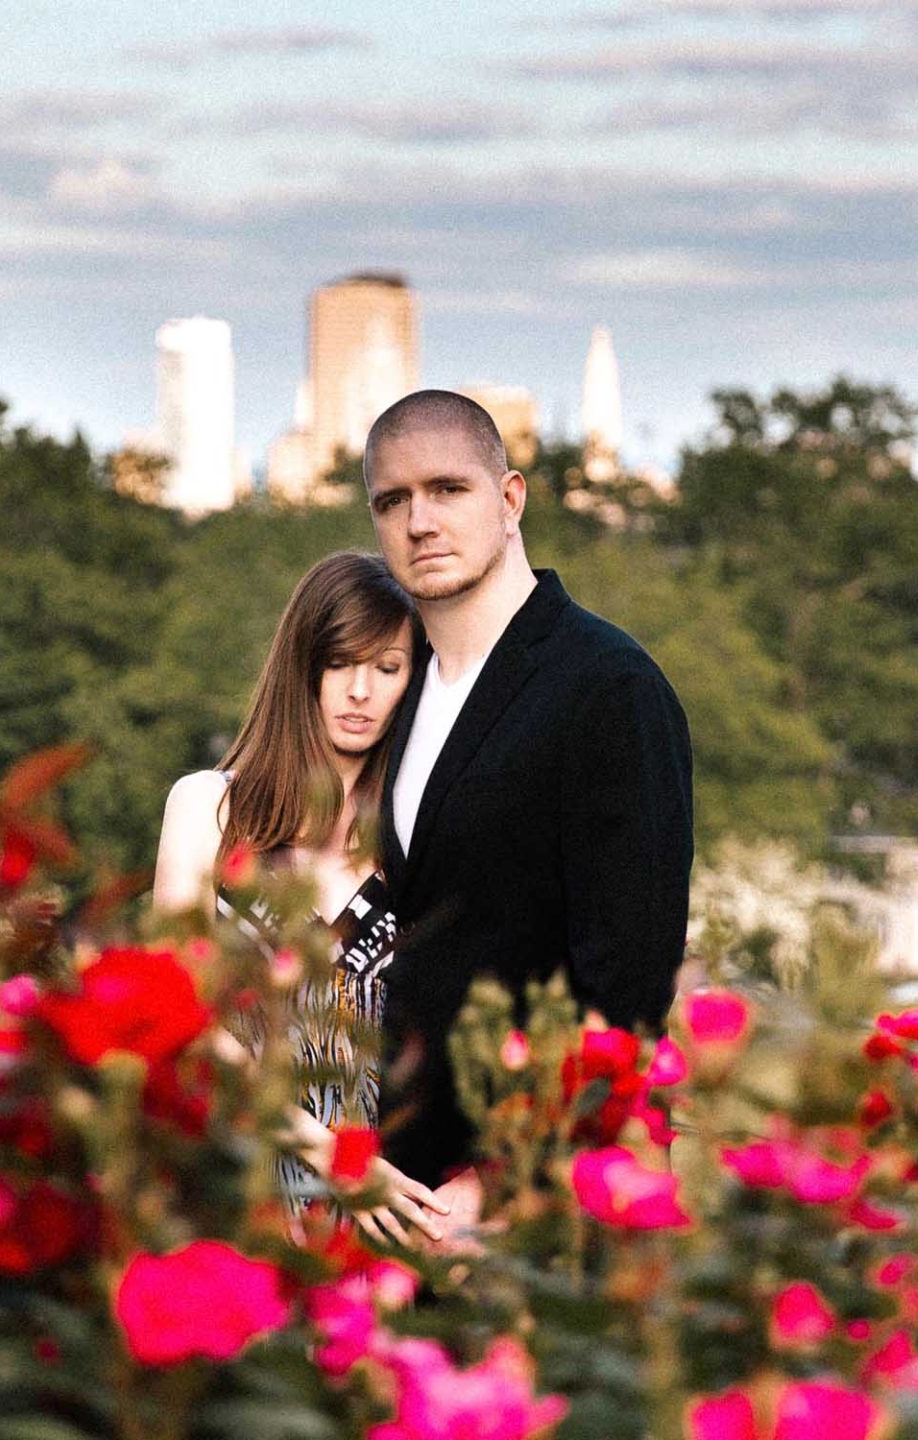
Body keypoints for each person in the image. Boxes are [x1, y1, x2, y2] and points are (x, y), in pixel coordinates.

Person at [363, 389, 695, 1206]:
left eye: (448, 490)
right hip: (396, 1192)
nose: (420, 522)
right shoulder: (397, 692)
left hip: (521, 1211)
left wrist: (500, 1186)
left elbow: (627, 991)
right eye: (392, 500)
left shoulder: (607, 687)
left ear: (509, 499)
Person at [151, 552, 452, 1247]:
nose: (360, 692)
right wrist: (323, 1150)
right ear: (303, 666)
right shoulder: (210, 810)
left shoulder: (417, 842)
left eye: (386, 668)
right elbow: (182, 1016)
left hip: (384, 1209)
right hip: (236, 1193)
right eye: (340, 662)